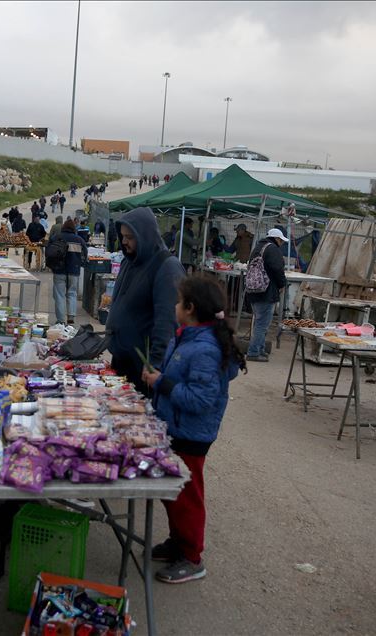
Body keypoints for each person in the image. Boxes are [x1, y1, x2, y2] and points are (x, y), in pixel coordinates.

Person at [142, 274, 246, 584]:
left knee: (187, 496)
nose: (174, 305)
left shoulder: (205, 348)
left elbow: (201, 399)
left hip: (190, 433)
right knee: (174, 491)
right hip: (175, 426)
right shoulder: (188, 335)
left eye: (178, 301)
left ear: (189, 307)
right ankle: (179, 542)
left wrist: (162, 382)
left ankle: (192, 557)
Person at [105, 207, 185, 395]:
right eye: (122, 236)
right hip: (121, 361)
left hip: (142, 368)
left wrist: (154, 364)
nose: (124, 241)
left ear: (145, 235)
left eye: (130, 237)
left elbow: (167, 322)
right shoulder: (129, 261)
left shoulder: (167, 267)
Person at [245, 228, 288, 362]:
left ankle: (261, 349)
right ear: (277, 239)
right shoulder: (272, 249)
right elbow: (277, 269)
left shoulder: (258, 247)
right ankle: (253, 352)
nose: (282, 243)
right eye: (281, 241)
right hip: (266, 292)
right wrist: (282, 284)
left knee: (260, 322)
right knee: (262, 324)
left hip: (254, 290)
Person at [48, 218, 87, 325]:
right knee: (72, 293)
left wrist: (52, 266)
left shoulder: (56, 238)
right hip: (74, 271)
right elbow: (85, 256)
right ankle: (71, 317)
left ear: (63, 227)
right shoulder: (80, 240)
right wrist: (80, 265)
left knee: (59, 295)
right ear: (74, 228)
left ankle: (60, 320)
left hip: (59, 271)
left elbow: (48, 252)